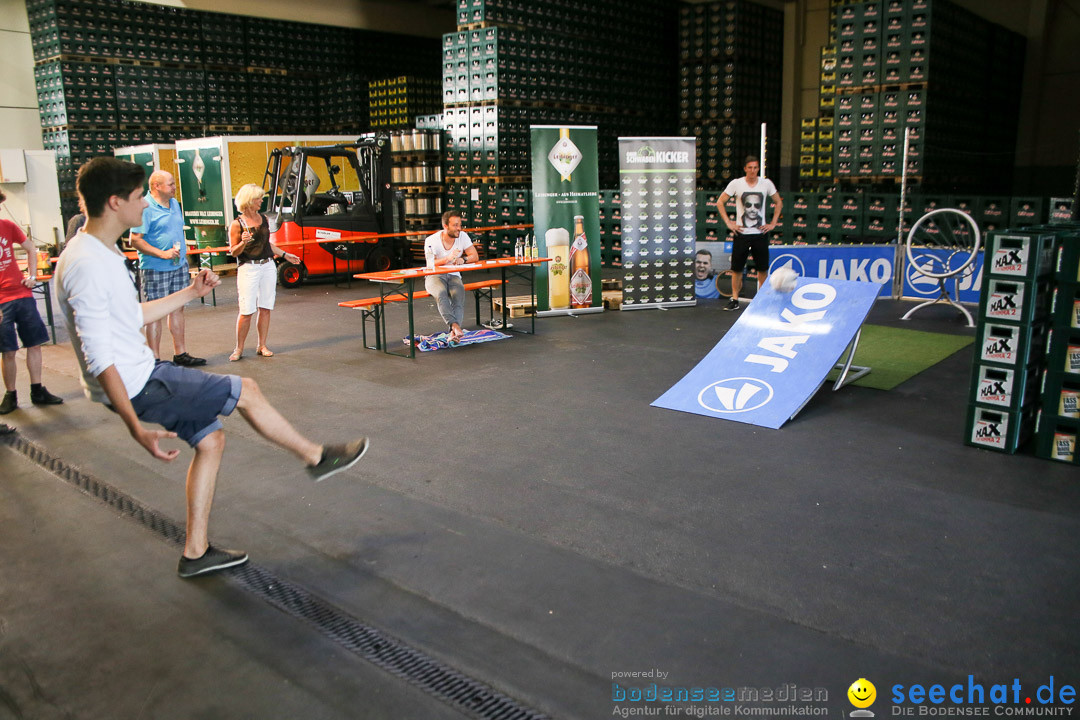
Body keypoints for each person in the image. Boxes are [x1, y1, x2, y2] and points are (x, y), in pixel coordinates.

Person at [55, 157, 369, 578]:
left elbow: (129, 317)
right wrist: (135, 426)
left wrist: (189, 292)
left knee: (211, 441)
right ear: (114, 202)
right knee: (247, 390)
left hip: (138, 376)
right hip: (139, 383)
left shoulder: (100, 251)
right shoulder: (87, 265)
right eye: (137, 198)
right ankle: (316, 457)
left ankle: (196, 552)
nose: (146, 206)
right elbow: (99, 357)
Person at [129, 170, 205, 367]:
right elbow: (135, 240)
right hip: (155, 268)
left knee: (177, 309)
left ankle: (180, 353)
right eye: (170, 184)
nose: (174, 187)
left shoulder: (174, 204)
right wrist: (161, 253)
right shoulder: (145, 207)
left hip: (178, 265)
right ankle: (153, 359)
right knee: (155, 312)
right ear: (157, 186)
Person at [0, 188, 64, 414]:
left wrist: (33, 276)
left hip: (22, 294)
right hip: (1, 301)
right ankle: (11, 395)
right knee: (7, 350)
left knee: (34, 344)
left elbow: (30, 248)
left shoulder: (7, 226)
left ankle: (37, 390)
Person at [226, 183, 299, 362]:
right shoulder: (237, 224)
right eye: (258, 198)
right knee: (246, 310)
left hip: (267, 265)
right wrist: (243, 243)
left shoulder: (263, 219)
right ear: (249, 201)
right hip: (248, 267)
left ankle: (262, 345)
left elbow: (268, 245)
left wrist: (285, 255)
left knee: (265, 307)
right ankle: (239, 348)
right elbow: (233, 252)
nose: (261, 201)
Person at [717, 155, 783, 311]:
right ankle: (734, 299)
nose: (753, 170)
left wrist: (773, 223)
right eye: (750, 168)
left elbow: (778, 202)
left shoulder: (766, 184)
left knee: (762, 269)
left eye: (755, 167)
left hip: (760, 233)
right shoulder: (736, 183)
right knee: (737, 269)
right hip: (741, 233)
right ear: (745, 169)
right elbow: (720, 202)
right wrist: (729, 222)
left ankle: (763, 299)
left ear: (758, 168)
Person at [423, 210, 478, 342]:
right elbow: (430, 263)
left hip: (453, 274)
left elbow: (475, 256)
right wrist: (447, 258)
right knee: (441, 294)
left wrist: (463, 260)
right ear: (445, 226)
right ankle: (455, 326)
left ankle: (454, 333)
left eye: (460, 224)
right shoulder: (431, 240)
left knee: (459, 295)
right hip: (434, 275)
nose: (459, 228)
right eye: (455, 225)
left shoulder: (463, 236)